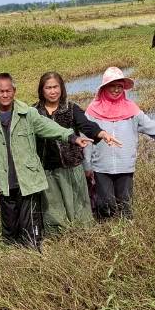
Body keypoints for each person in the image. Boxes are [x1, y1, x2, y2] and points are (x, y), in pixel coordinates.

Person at [0, 72, 119, 250]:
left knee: (49, 215)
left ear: (14, 91)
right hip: (27, 174)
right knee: (19, 221)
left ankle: (64, 244)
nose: (5, 95)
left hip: (49, 172)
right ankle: (20, 252)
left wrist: (78, 137)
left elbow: (57, 127)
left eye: (8, 91)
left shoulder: (40, 112)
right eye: (1, 91)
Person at [83, 67, 155, 219]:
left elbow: (150, 125)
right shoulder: (92, 111)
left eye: (120, 86)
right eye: (112, 86)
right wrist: (87, 165)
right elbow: (86, 138)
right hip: (101, 166)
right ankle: (106, 229)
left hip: (125, 164)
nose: (116, 90)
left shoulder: (131, 109)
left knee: (125, 203)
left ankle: (128, 228)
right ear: (104, 87)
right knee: (106, 204)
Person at [34, 72, 104, 232]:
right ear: (42, 90)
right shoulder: (34, 112)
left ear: (62, 88)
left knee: (79, 206)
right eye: (48, 88)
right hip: (46, 168)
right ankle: (58, 237)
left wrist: (101, 133)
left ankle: (84, 234)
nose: (53, 91)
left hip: (72, 166)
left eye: (56, 87)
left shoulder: (71, 108)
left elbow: (86, 124)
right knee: (53, 208)